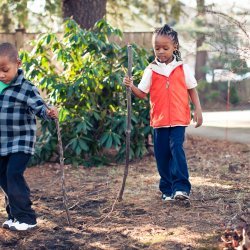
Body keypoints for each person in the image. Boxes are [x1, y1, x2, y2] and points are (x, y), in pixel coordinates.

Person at [123, 24, 203, 202]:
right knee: (162, 154)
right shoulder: (150, 70)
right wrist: (131, 86)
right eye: (157, 48)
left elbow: (192, 89)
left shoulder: (183, 68)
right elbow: (142, 93)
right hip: (159, 121)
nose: (160, 51)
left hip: (178, 119)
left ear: (175, 47)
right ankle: (167, 189)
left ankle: (181, 187)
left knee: (177, 149)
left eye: (165, 48)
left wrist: (198, 109)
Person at [0, 42, 58, 231]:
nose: (1, 75)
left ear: (18, 64)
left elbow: (39, 106)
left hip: (20, 143)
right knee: (3, 177)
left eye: (5, 70)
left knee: (13, 175)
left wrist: (47, 112)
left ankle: (27, 217)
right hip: (2, 144)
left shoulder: (26, 88)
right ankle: (14, 215)